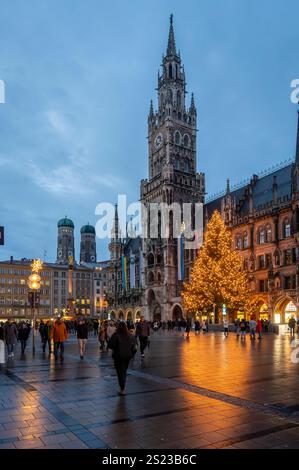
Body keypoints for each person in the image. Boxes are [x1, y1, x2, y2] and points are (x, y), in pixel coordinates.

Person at [108, 322, 137, 396]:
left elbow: (110, 345)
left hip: (118, 357)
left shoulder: (116, 335)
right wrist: (131, 354)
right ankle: (122, 388)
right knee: (123, 371)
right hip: (127, 357)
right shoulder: (130, 336)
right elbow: (135, 347)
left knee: (120, 372)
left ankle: (122, 389)